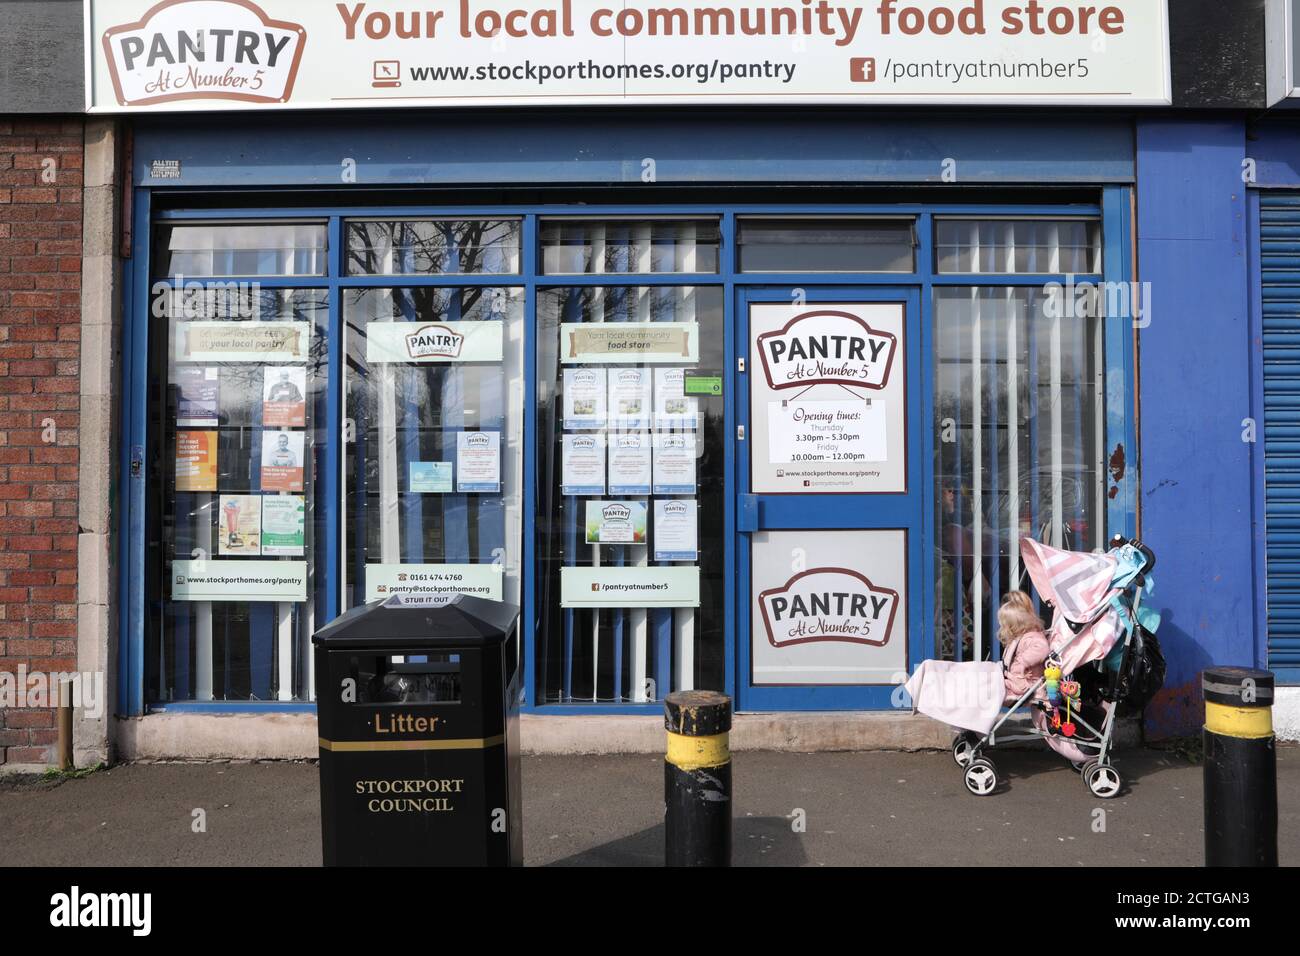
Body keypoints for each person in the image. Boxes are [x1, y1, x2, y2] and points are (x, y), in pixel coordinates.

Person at [999, 590, 1049, 703]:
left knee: (992, 687)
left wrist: (1021, 662)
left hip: (1026, 686)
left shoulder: (1031, 638)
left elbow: (1042, 647)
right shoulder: (1021, 638)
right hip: (1017, 681)